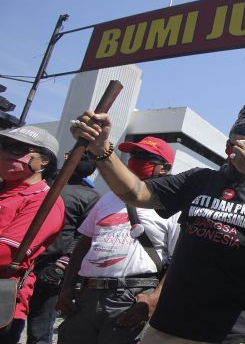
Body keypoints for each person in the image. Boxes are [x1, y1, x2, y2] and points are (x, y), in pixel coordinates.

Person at [69, 99, 245, 343]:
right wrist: (101, 149)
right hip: (168, 326)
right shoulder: (197, 179)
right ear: (227, 144)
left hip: (229, 333)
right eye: (242, 131)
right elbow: (136, 193)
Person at [55, 136, 180, 344]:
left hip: (130, 298)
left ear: (165, 168)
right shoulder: (108, 198)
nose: (135, 161)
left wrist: (155, 297)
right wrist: (66, 287)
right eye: (133, 155)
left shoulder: (172, 205)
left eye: (145, 157)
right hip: (87, 295)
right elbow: (84, 244)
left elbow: (180, 259)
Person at [26, 151, 100, 344]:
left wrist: (61, 266)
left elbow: (83, 236)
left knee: (39, 331)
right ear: (68, 156)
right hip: (17, 261)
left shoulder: (90, 196)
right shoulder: (41, 180)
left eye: (90, 159)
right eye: (81, 156)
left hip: (49, 268)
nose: (85, 162)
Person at [0, 126, 64, 343]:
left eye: (17, 148)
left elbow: (7, 253)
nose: (6, 153)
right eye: (3, 146)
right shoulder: (4, 189)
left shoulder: (43, 201)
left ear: (43, 161)